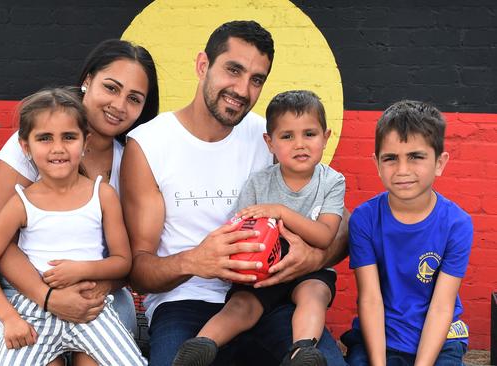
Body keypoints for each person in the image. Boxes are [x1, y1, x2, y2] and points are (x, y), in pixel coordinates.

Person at [121, 20, 348, 365]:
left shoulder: (272, 137)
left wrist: (314, 258)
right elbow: (139, 270)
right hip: (185, 304)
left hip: (270, 296)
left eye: (256, 79)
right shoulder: (150, 144)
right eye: (233, 70)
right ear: (202, 65)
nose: (242, 89)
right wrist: (195, 260)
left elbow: (341, 222)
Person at [0, 39, 159, 361]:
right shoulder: (35, 144)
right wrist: (48, 297)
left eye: (134, 99)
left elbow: (127, 253)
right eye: (111, 87)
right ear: (87, 81)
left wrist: (98, 286)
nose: (119, 105)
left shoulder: (132, 159)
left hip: (98, 295)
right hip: (23, 295)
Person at [174, 90, 345, 366]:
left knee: (313, 295)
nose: (299, 144)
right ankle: (201, 345)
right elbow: (239, 227)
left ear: (326, 137)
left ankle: (302, 352)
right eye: (287, 136)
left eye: (309, 134)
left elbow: (325, 237)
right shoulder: (258, 182)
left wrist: (280, 212)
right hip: (263, 267)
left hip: (309, 270)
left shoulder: (332, 181)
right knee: (242, 305)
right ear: (270, 142)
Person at [341, 100, 472, 365]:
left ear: (439, 162)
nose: (402, 170)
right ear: (377, 163)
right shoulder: (364, 219)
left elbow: (441, 306)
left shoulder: (457, 224)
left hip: (440, 338)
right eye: (391, 158)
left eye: (416, 156)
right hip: (379, 336)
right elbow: (370, 299)